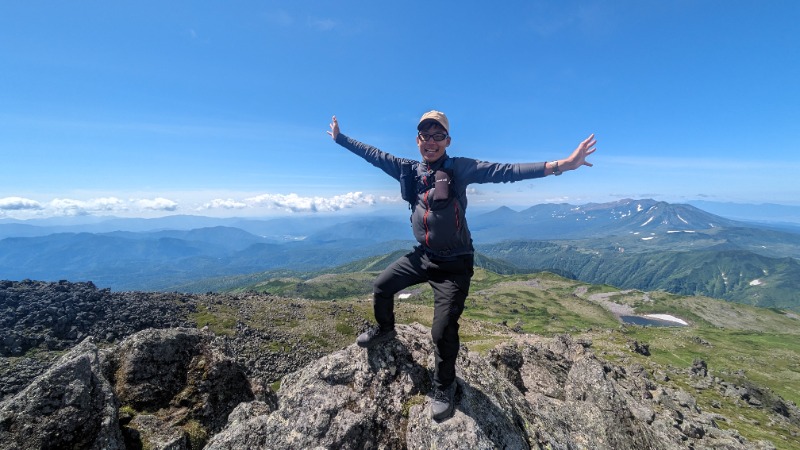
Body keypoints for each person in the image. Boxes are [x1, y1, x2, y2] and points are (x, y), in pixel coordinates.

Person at [327, 110, 597, 421]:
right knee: (381, 286)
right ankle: (385, 330)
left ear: (447, 140)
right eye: (425, 136)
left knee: (442, 330)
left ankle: (444, 386)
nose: (431, 141)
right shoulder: (408, 170)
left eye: (437, 135)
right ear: (417, 140)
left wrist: (562, 165)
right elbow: (373, 154)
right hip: (422, 255)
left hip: (454, 265)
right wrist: (341, 139)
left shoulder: (460, 169)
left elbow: (507, 170)